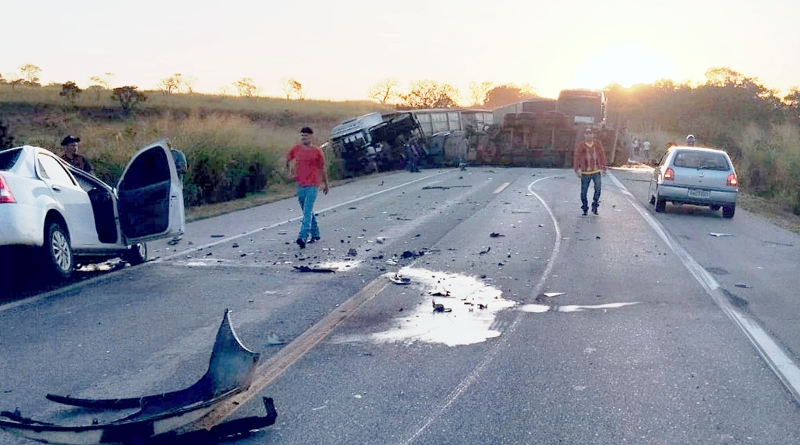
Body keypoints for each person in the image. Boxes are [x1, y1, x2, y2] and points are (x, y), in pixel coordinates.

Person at [285, 127, 329, 249]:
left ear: (311, 137)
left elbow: (322, 168)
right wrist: (290, 173)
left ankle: (303, 236)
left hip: (313, 185)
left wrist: (326, 184)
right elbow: (287, 161)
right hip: (300, 185)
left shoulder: (317, 151)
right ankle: (316, 234)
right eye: (302, 135)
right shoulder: (296, 149)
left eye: (306, 135)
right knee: (307, 210)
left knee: (307, 211)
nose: (304, 137)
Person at [572, 127, 607, 216]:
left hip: (596, 171)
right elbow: (576, 157)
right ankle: (585, 207)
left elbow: (602, 155)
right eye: (587, 133)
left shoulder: (597, 144)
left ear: (593, 135)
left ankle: (595, 206)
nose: (589, 135)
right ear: (584, 135)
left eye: (590, 133)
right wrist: (577, 169)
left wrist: (603, 167)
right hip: (585, 172)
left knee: (598, 189)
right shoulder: (581, 145)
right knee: (584, 192)